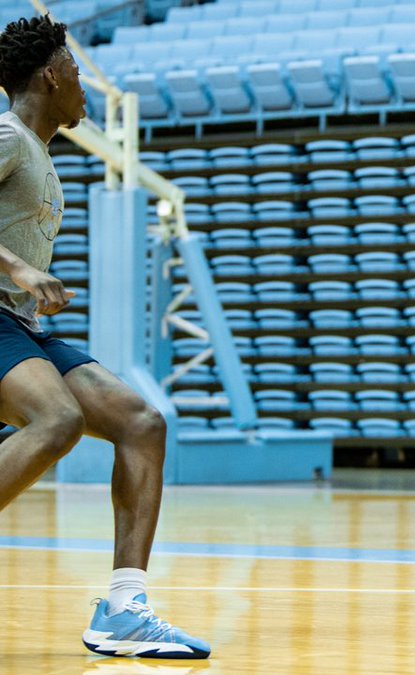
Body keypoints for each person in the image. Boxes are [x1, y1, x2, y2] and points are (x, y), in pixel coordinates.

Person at [0, 16, 209, 658]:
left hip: (17, 326)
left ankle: (123, 609)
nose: (87, 88)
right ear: (51, 74)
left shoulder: (37, 148)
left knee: (141, 421)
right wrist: (18, 267)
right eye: (78, 72)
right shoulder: (5, 135)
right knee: (56, 420)